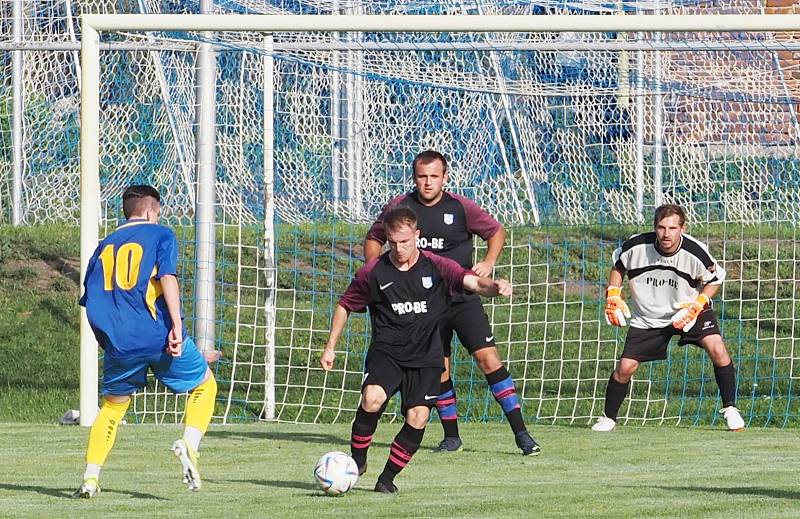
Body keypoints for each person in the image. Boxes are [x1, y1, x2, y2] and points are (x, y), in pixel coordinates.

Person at [321, 206, 512, 494]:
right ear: (387, 239)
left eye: (405, 241)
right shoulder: (374, 271)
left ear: (417, 236)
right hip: (388, 352)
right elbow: (346, 304)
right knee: (372, 398)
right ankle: (357, 461)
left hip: (427, 358)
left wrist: (493, 287)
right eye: (393, 242)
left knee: (418, 417)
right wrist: (330, 346)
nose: (399, 248)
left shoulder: (436, 265)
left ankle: (387, 479)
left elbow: (471, 281)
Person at [363, 150, 539, 456]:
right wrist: (373, 273)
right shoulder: (400, 208)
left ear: (445, 177)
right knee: (439, 369)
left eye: (434, 176)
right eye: (422, 176)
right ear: (414, 177)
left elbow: (496, 231)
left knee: (488, 359)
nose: (428, 182)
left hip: (462, 299)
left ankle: (521, 433)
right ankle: (452, 436)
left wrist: (488, 261)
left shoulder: (460, 207)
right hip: (425, 308)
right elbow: (374, 239)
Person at [74, 185, 217, 498]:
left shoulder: (102, 247)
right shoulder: (161, 234)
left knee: (111, 410)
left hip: (119, 344)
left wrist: (109, 343)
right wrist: (177, 326)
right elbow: (167, 277)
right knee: (205, 385)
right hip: (158, 336)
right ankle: (189, 446)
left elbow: (91, 302)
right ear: (152, 210)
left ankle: (90, 479)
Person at [593, 203, 745, 432]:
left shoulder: (695, 252)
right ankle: (609, 417)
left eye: (672, 228)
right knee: (625, 367)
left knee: (717, 349)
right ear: (655, 227)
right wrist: (613, 293)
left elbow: (714, 280)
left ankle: (731, 408)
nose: (666, 233)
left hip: (689, 308)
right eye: (662, 227)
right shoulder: (635, 246)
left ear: (682, 228)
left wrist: (697, 305)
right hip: (649, 316)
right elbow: (618, 267)